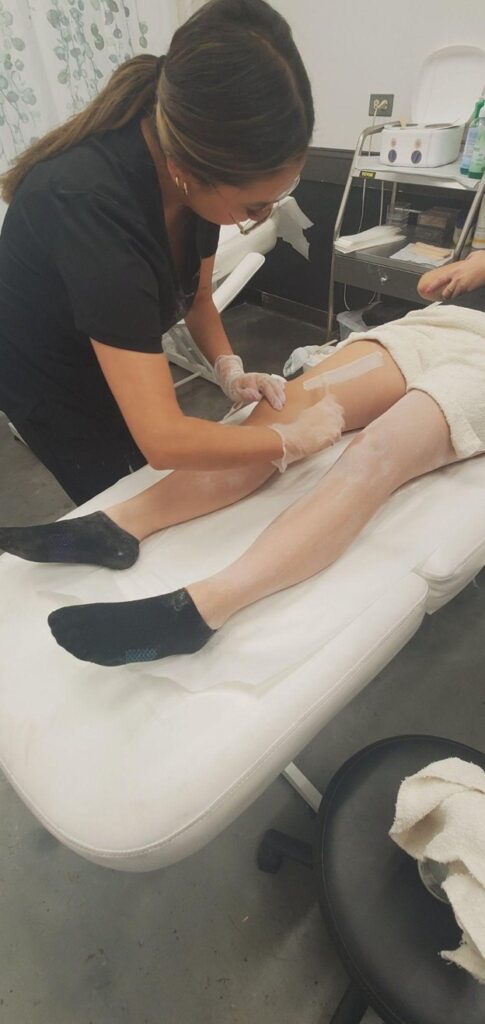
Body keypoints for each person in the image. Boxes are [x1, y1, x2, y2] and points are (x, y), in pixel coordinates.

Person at [2, 251, 485, 666]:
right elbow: (438, 280)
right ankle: (117, 528)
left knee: (379, 451)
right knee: (286, 410)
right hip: (440, 325)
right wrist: (468, 268)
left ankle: (200, 611)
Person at [0, 0, 334, 505]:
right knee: (122, 493)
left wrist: (230, 369)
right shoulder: (90, 206)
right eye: (254, 205)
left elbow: (198, 299)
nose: (264, 217)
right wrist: (286, 440)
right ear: (192, 168)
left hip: (106, 333)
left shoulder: (186, 176)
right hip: (50, 371)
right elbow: (163, 440)